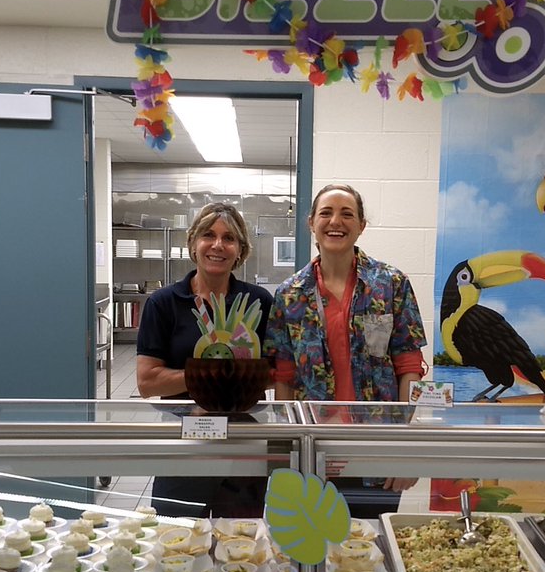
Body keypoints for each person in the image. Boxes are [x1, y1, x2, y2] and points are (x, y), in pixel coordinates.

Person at [264, 184, 427, 506]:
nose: (335, 221)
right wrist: (286, 447)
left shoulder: (391, 285)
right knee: (312, 550)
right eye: (326, 213)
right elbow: (283, 378)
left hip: (377, 447)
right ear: (311, 222)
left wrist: (406, 446)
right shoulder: (290, 294)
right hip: (313, 449)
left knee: (370, 549)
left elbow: (409, 369)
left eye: (347, 214)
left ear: (361, 226)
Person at [136, 202, 273, 517]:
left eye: (229, 238)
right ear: (193, 244)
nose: (218, 245)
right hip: (183, 445)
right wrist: (215, 373)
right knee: (178, 542)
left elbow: (273, 373)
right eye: (208, 235)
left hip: (244, 444)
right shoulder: (163, 304)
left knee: (240, 545)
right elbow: (147, 382)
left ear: (240, 250)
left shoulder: (259, 302)